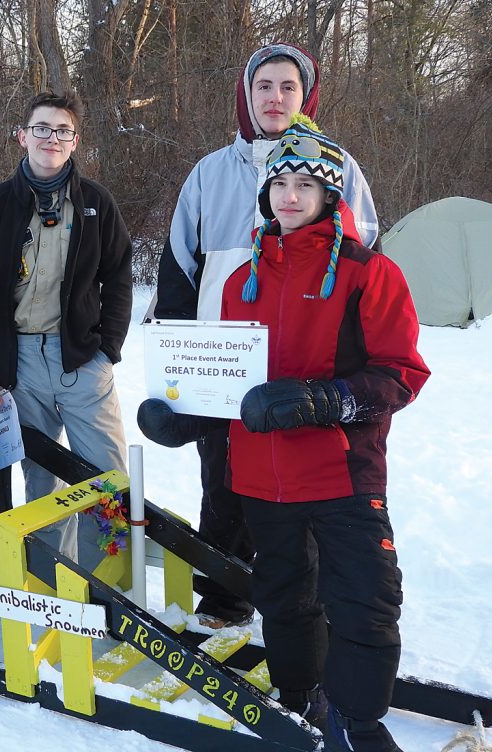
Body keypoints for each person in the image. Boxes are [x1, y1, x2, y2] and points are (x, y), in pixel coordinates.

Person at [143, 43, 379, 629]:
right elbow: (178, 268)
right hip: (223, 358)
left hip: (305, 356)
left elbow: (364, 257)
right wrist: (179, 367)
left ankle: (306, 607)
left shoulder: (338, 166)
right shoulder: (210, 173)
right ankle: (225, 596)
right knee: (223, 478)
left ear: (307, 95)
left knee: (304, 481)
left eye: (288, 87)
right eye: (264, 86)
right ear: (247, 95)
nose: (276, 98)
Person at [221, 122, 429, 750]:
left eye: (305, 183)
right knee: (283, 600)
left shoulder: (370, 274)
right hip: (262, 478)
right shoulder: (240, 280)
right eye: (279, 183)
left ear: (330, 194)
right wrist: (188, 411)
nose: (289, 194)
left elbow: (402, 374)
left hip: (342, 472)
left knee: (365, 600)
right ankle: (298, 698)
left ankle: (358, 722)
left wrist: (324, 400)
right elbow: (227, 371)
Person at [0, 90, 132, 569]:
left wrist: (107, 351)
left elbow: (119, 277)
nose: (50, 138)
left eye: (62, 130)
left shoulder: (96, 203)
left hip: (80, 359)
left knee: (108, 479)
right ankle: (57, 584)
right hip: (18, 365)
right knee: (43, 479)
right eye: (41, 128)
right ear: (23, 136)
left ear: (75, 141)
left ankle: (114, 583)